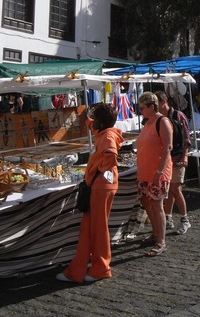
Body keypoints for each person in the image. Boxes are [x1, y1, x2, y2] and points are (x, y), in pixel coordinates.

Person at [57, 103, 122, 283]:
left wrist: (98, 170)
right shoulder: (106, 131)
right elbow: (93, 127)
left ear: (101, 122)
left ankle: (100, 268)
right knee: (89, 228)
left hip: (101, 186)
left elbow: (111, 156)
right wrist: (85, 116)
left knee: (98, 229)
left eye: (95, 118)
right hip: (101, 185)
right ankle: (79, 269)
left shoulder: (107, 135)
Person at [136, 91, 173, 256]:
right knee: (147, 202)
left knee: (157, 205)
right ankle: (156, 233)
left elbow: (167, 147)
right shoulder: (147, 122)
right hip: (145, 172)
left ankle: (161, 241)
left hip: (158, 172)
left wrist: (159, 171)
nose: (140, 110)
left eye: (142, 108)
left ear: (152, 106)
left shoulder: (162, 121)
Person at [155, 90, 192, 235]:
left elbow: (186, 138)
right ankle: (168, 218)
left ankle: (185, 220)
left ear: (164, 102)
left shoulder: (178, 116)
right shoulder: (158, 118)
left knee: (176, 189)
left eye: (158, 104)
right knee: (168, 189)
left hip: (177, 157)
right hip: (166, 160)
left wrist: (185, 156)